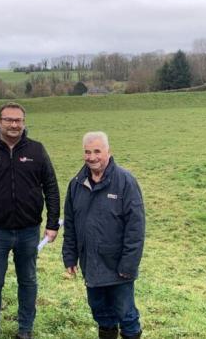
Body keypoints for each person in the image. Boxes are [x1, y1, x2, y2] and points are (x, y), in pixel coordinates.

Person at [0, 102, 60, 339]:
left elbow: (51, 187)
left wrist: (52, 223)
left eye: (18, 120)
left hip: (28, 230)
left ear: (23, 123)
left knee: (28, 281)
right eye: (9, 120)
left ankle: (25, 329)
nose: (14, 124)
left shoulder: (37, 150)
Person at [62, 132, 145, 339]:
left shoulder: (125, 182)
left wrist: (129, 265)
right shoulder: (76, 184)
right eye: (87, 152)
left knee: (126, 314)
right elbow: (70, 225)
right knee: (101, 313)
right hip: (90, 263)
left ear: (108, 151)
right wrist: (70, 257)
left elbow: (135, 229)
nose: (92, 157)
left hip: (118, 266)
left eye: (97, 151)